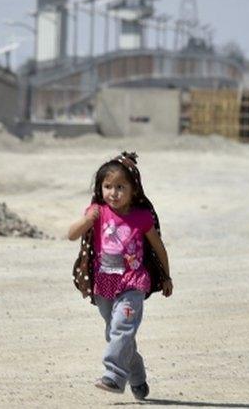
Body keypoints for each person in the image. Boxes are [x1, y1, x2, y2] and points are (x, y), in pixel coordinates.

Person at [67, 151, 173, 400]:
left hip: (132, 284)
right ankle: (137, 377)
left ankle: (114, 376)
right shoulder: (97, 212)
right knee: (116, 334)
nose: (113, 193)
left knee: (122, 329)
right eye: (107, 186)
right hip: (104, 284)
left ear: (134, 190)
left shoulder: (141, 217)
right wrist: (87, 219)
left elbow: (159, 248)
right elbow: (71, 234)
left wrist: (166, 276)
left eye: (120, 187)